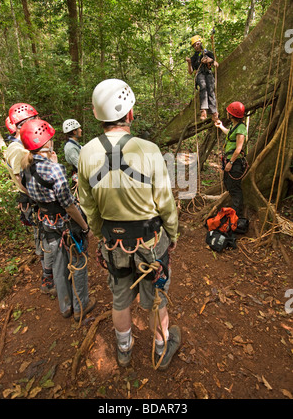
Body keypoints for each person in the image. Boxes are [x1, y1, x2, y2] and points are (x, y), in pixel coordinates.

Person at [78, 78, 180, 370]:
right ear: (130, 113)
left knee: (120, 300)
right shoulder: (148, 149)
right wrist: (171, 234)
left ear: (99, 116)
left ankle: (124, 350)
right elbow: (164, 202)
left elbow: (88, 205)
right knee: (157, 298)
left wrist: (101, 235)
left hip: (114, 244)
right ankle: (161, 349)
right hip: (149, 244)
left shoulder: (86, 153)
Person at [19, 119, 96, 321]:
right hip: (64, 223)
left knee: (59, 264)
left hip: (45, 222)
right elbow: (68, 205)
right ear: (46, 143)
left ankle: (66, 306)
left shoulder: (25, 167)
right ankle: (81, 305)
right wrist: (85, 227)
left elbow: (29, 190)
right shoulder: (55, 170)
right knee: (79, 261)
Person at [4, 103, 56, 295]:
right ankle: (48, 279)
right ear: (21, 125)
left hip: (35, 198)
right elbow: (21, 179)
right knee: (45, 239)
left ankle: (50, 273)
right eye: (34, 119)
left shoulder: (22, 146)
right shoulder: (17, 150)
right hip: (35, 200)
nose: (37, 122)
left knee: (45, 238)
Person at [215, 101, 248, 217]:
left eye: (229, 112)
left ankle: (236, 217)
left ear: (232, 115)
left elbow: (238, 148)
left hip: (235, 162)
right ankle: (232, 213)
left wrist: (231, 163)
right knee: (228, 184)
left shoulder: (241, 128)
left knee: (235, 189)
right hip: (228, 160)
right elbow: (229, 134)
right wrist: (221, 126)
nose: (227, 114)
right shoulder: (234, 126)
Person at [186, 35, 219, 122]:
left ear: (201, 43)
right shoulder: (194, 57)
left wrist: (209, 60)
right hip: (200, 73)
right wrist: (189, 63)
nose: (196, 46)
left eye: (197, 44)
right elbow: (190, 72)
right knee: (203, 88)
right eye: (194, 45)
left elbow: (215, 64)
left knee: (211, 91)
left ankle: (214, 113)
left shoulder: (207, 53)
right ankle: (203, 110)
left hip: (208, 72)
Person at [63, 119, 82, 183]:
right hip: (80, 178)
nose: (81, 130)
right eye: (79, 129)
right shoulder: (70, 147)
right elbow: (80, 165)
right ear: (74, 132)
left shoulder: (74, 144)